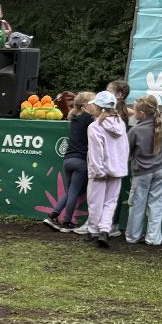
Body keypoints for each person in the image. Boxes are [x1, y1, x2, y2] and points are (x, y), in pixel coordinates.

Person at [83, 89, 127, 249]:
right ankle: (104, 231)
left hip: (100, 171)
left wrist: (97, 171)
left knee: (95, 202)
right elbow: (124, 148)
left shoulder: (95, 127)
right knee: (110, 202)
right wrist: (121, 167)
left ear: (99, 108)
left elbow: (96, 151)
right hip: (117, 170)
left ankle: (93, 231)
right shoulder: (120, 124)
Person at [44, 91, 94, 232]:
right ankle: (66, 222)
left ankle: (53, 216)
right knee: (74, 192)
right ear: (85, 105)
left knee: (69, 191)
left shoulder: (74, 119)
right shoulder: (90, 120)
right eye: (93, 103)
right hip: (81, 161)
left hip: (68, 160)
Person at [124, 94, 162, 247]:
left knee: (137, 204)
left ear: (141, 114)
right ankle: (153, 238)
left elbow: (126, 152)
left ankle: (132, 237)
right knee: (157, 204)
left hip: (141, 172)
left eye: (135, 110)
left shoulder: (135, 131)